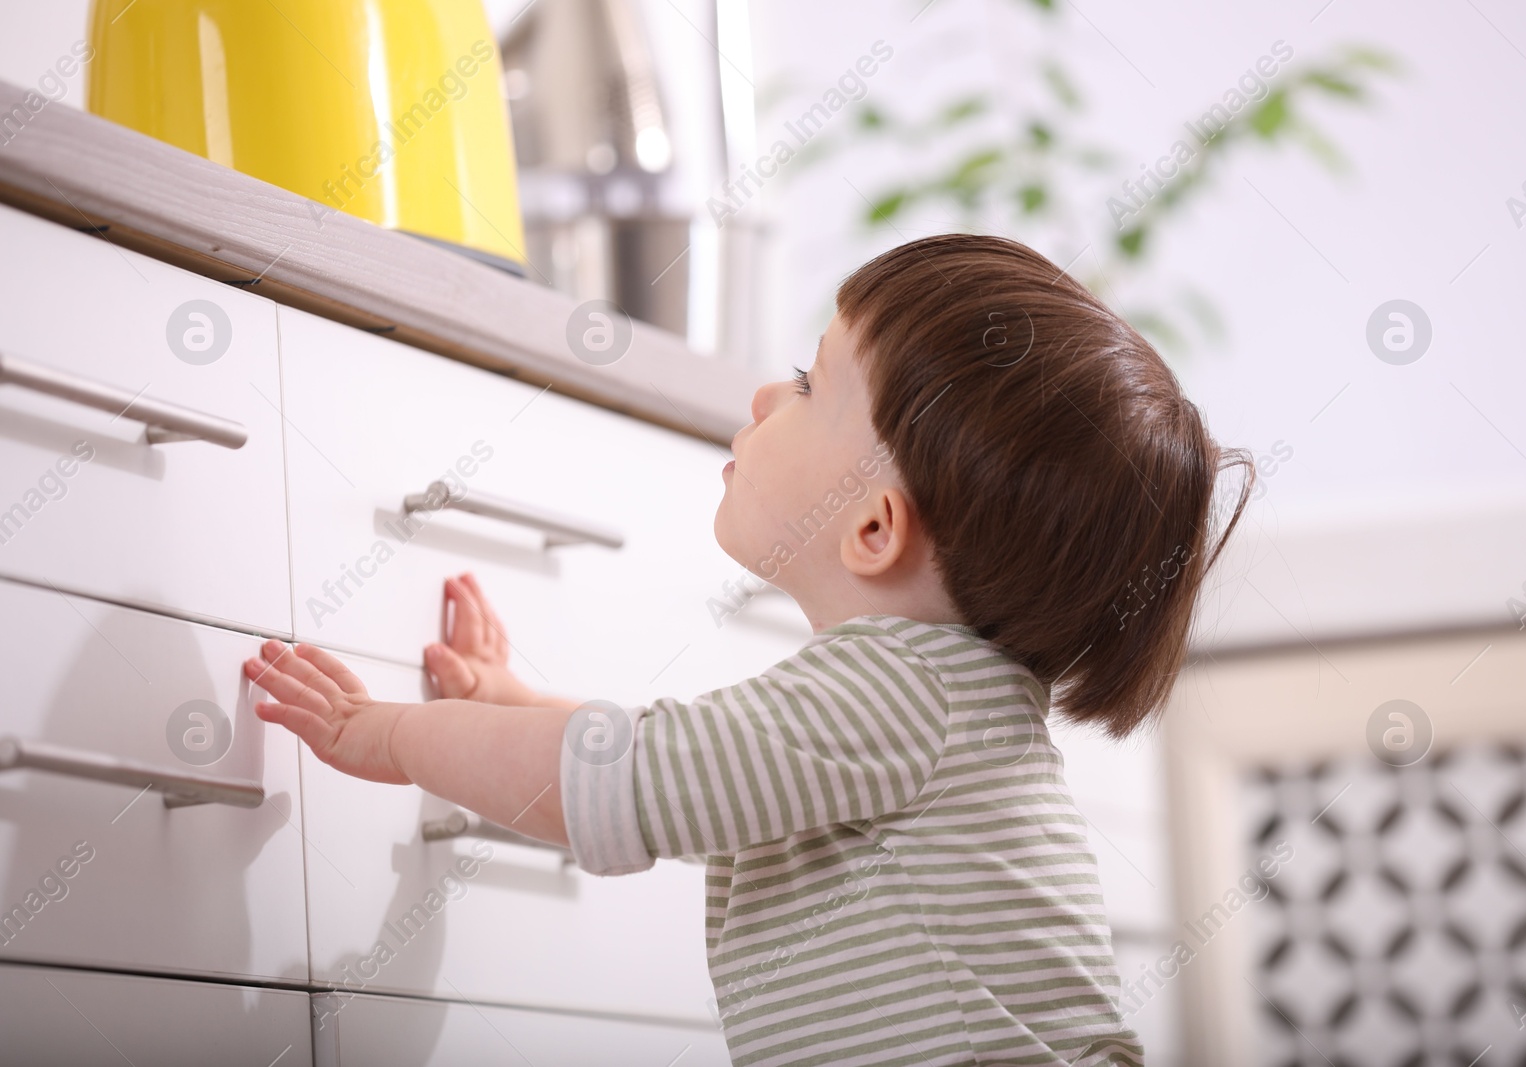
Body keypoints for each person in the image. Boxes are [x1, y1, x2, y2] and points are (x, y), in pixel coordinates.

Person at [244, 233, 1253, 1066]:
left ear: (873, 527)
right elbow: (665, 758)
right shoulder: (928, 700)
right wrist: (508, 702)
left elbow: (608, 782)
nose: (769, 397)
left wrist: (385, 734)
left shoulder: (899, 693)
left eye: (812, 383)